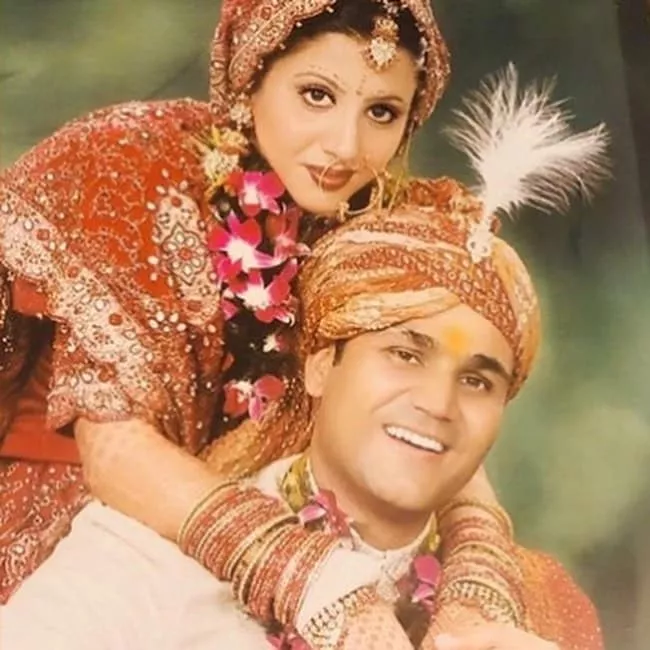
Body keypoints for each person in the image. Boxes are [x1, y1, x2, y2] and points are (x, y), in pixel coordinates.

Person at [1, 173, 604, 649]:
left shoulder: (541, 606)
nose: (438, 404)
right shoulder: (144, 559)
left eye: (476, 381)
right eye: (404, 354)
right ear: (319, 367)